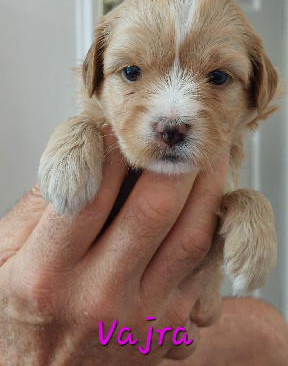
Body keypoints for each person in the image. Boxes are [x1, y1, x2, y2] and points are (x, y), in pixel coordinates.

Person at [0, 126, 287, 365]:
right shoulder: (97, 133)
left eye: (216, 78)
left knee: (267, 333)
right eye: (132, 73)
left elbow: (201, 313)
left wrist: (249, 210)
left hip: (159, 328)